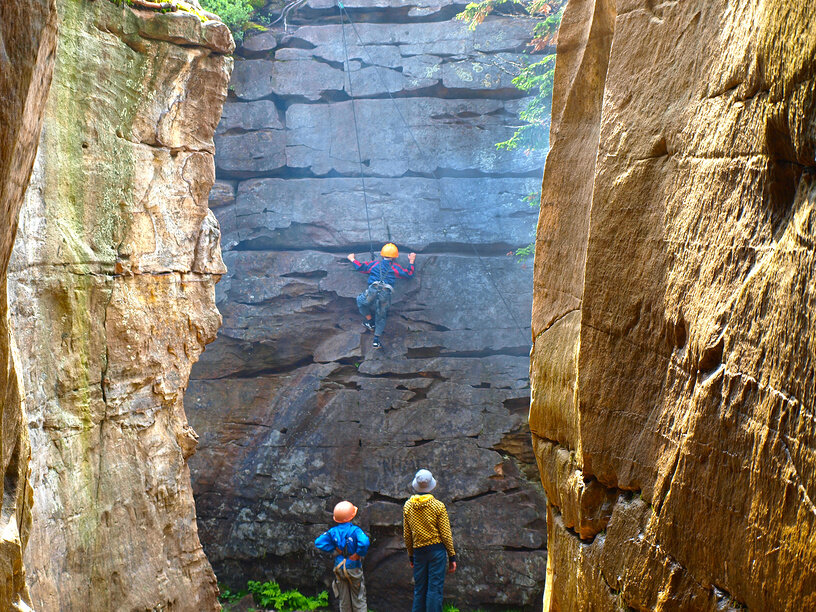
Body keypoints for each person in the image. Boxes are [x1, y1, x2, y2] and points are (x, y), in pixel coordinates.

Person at [403, 469, 456, 612]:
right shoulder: (438, 506)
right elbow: (445, 534)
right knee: (434, 589)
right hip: (437, 552)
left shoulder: (408, 506)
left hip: (419, 552)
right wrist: (452, 555)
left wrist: (411, 555)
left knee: (419, 590)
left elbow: (407, 534)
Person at [347, 243, 416, 349]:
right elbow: (408, 274)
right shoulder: (395, 267)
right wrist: (411, 260)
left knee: (361, 301)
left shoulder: (375, 264)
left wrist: (352, 259)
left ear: (382, 255)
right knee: (381, 316)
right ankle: (376, 341)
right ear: (394, 257)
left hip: (372, 290)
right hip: (385, 293)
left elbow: (361, 267)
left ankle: (369, 321)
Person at [315, 501, 371, 612]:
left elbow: (319, 542)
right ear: (351, 516)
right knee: (358, 598)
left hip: (339, 566)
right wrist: (357, 554)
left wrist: (335, 549)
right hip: (353, 566)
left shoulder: (333, 531)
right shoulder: (355, 531)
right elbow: (364, 542)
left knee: (344, 599)